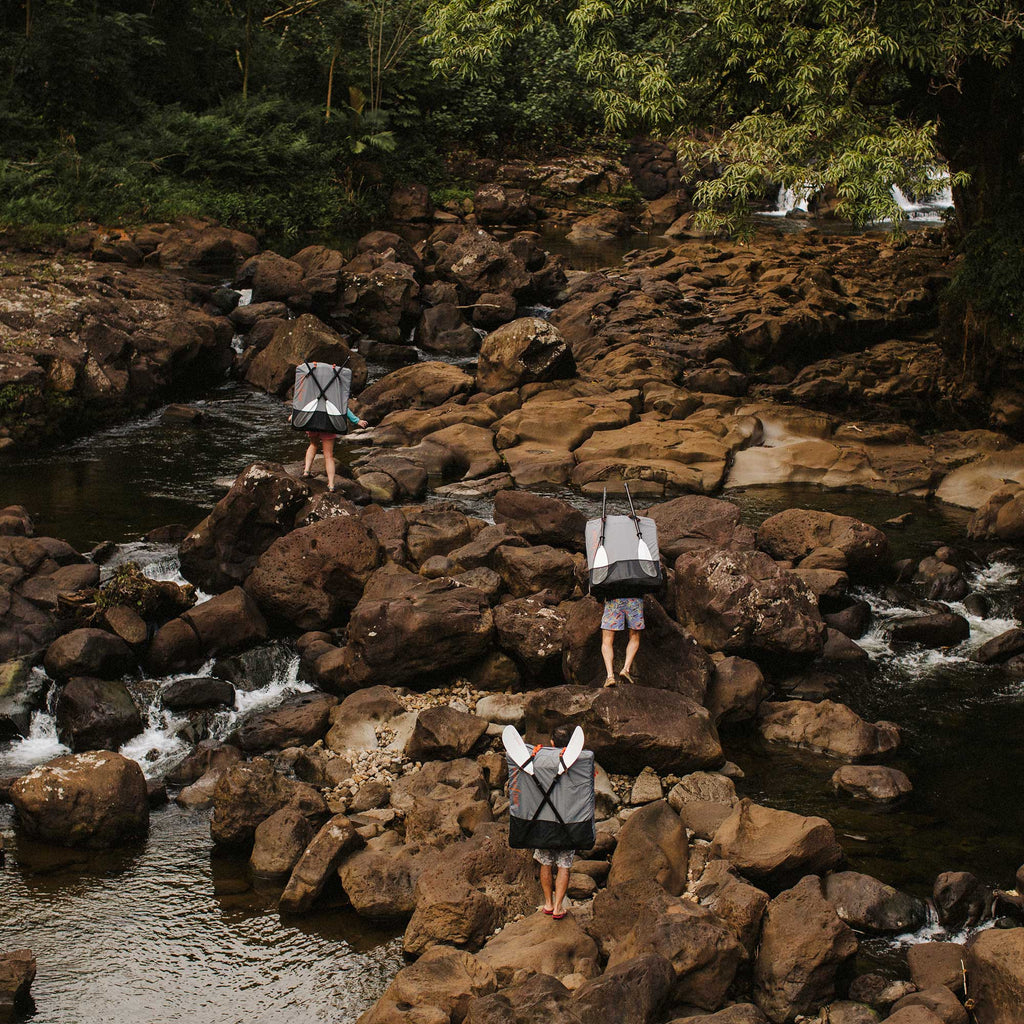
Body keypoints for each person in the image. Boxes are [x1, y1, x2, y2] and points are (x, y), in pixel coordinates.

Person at [534, 723, 576, 919]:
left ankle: (548, 904)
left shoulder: (539, 761)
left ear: (551, 743)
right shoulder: (578, 762)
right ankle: (559, 907)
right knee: (563, 864)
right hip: (568, 821)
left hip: (544, 819)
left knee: (545, 862)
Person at [600, 596, 643, 686]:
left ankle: (610, 676)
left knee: (607, 639)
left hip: (614, 598)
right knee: (634, 636)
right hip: (635, 598)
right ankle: (625, 669)